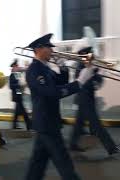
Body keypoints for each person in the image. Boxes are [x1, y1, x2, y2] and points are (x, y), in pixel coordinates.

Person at [24, 33, 95, 180]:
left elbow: (60, 81)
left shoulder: (45, 68)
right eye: (48, 47)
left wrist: (63, 67)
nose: (52, 50)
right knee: (64, 163)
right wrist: (80, 81)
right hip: (47, 123)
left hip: (47, 122)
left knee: (38, 164)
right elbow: (52, 92)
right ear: (39, 49)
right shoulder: (34, 70)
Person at [69, 46, 120, 154]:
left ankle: (73, 144)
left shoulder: (89, 66)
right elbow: (85, 83)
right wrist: (94, 72)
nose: (92, 55)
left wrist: (102, 71)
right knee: (97, 125)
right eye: (89, 54)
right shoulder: (80, 67)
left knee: (79, 124)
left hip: (87, 99)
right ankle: (111, 148)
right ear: (84, 55)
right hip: (84, 99)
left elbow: (97, 81)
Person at [9, 59, 32, 130]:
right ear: (13, 67)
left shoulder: (18, 74)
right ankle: (29, 125)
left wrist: (23, 85)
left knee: (18, 111)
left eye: (17, 66)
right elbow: (11, 86)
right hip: (16, 95)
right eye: (16, 66)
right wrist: (19, 85)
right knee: (23, 112)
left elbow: (21, 83)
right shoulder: (12, 75)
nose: (17, 67)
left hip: (19, 94)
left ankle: (14, 125)